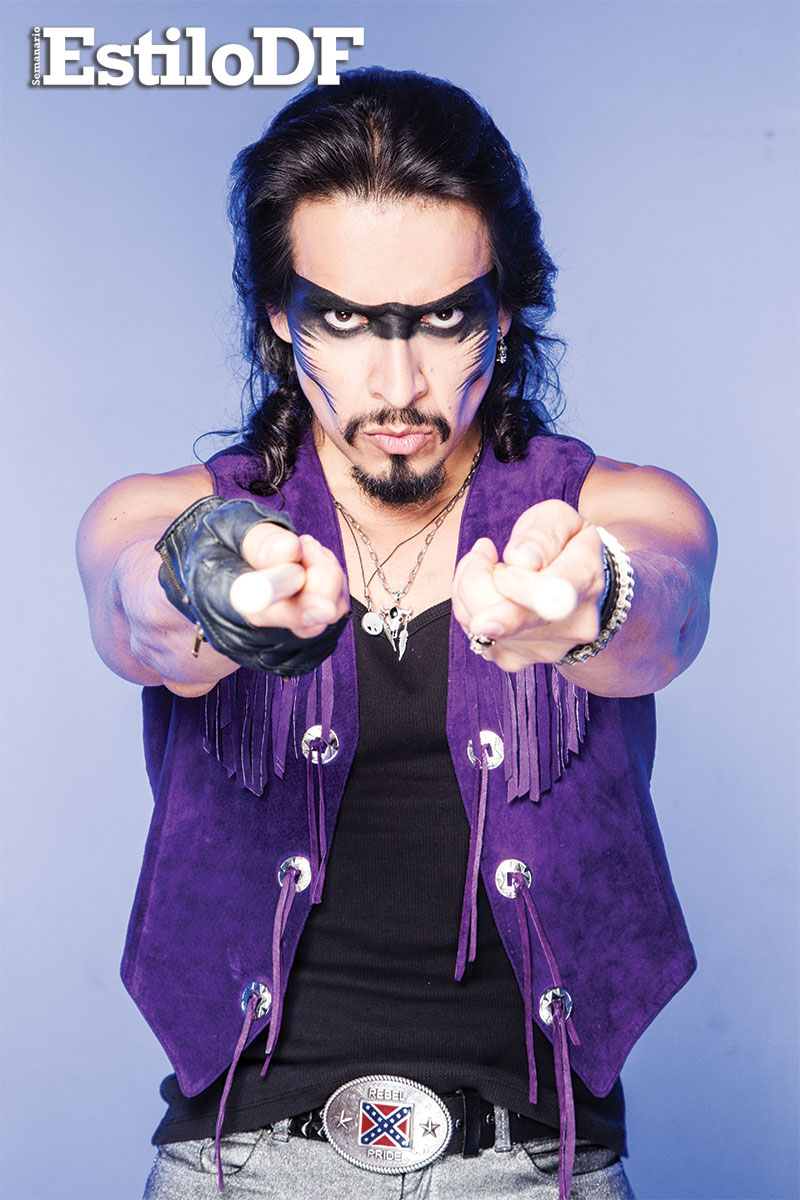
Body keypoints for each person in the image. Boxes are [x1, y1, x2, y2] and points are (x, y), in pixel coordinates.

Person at [77, 68, 716, 1200]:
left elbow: (662, 612)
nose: (398, 380)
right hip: (238, 1168)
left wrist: (590, 602)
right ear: (278, 321)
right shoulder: (163, 509)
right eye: (342, 319)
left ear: (502, 314)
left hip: (538, 1169)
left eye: (441, 318)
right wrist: (218, 588)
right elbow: (140, 614)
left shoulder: (620, 505)